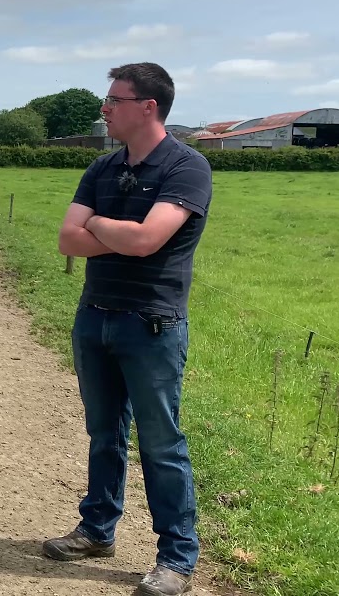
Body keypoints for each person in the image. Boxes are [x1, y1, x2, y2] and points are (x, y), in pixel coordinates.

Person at [46, 62, 212, 596]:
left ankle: (177, 559)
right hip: (94, 316)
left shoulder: (186, 168)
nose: (104, 107)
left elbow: (147, 241)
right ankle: (97, 531)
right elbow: (67, 241)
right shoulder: (102, 168)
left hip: (153, 324)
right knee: (103, 434)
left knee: (161, 443)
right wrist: (111, 229)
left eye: (114, 99)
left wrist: (95, 224)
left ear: (148, 106)